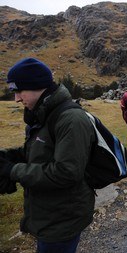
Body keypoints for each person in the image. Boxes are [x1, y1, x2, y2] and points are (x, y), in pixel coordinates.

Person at [0, 58, 96, 253]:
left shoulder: (70, 119)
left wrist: (12, 170)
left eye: (19, 91)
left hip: (63, 219)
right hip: (49, 214)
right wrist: (9, 157)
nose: (17, 99)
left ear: (38, 87)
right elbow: (40, 152)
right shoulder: (43, 113)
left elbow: (66, 172)